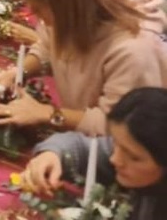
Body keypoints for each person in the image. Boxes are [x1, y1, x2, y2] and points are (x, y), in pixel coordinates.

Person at [0, 0, 167, 136]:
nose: (33, 14)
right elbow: (47, 47)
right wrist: (16, 73)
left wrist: (47, 113)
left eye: (38, 8)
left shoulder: (133, 51)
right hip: (80, 130)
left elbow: (119, 125)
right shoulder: (72, 15)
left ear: (66, 8)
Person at [21, 87, 166, 219]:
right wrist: (52, 154)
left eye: (134, 157)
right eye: (115, 142)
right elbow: (81, 147)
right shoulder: (128, 149)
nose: (115, 159)